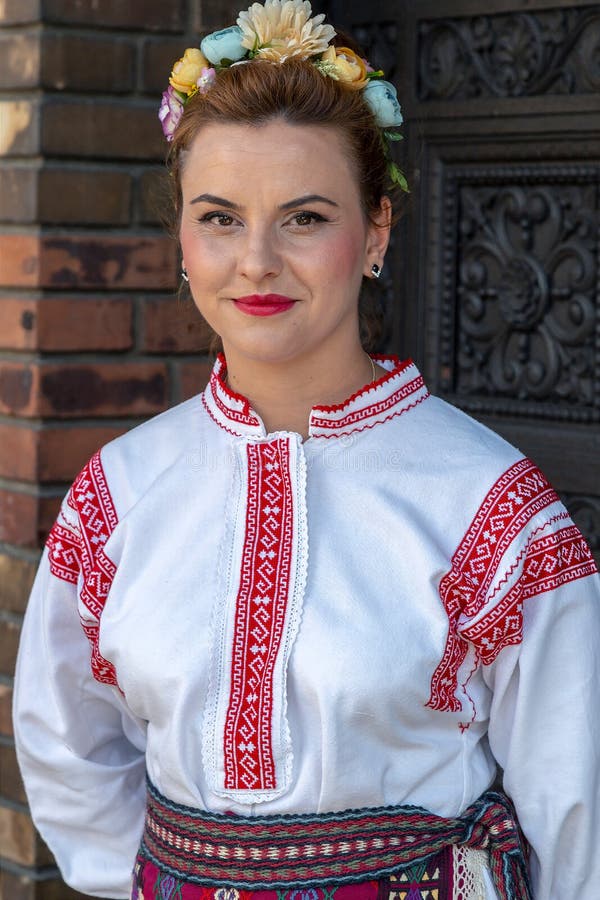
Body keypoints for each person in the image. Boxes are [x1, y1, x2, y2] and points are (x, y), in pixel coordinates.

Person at [13, 2, 600, 898]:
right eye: (218, 218)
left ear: (376, 233)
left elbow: (574, 800)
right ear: (182, 237)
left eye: (304, 218)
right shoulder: (120, 491)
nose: (255, 261)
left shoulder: (490, 502)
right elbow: (66, 743)